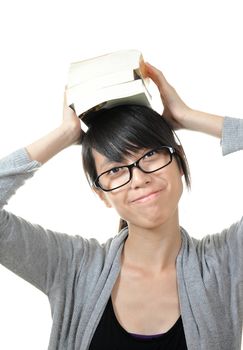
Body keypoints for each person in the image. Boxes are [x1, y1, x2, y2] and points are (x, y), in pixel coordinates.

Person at [0, 62, 242, 350]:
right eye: (115, 170)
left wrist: (187, 117)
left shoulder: (227, 261)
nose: (138, 178)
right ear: (101, 193)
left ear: (179, 161)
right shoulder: (71, 266)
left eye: (151, 154)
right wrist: (64, 134)